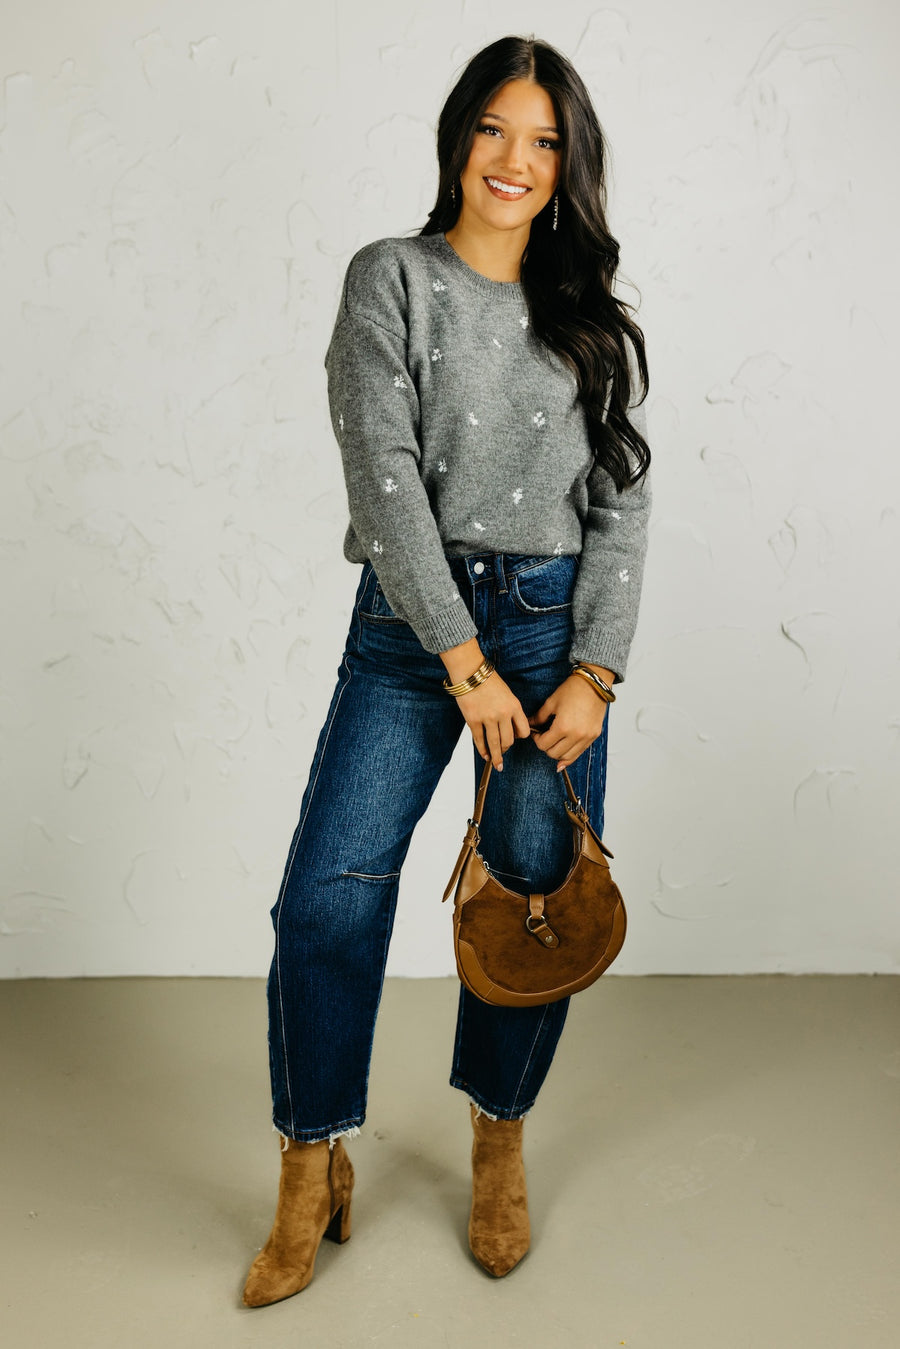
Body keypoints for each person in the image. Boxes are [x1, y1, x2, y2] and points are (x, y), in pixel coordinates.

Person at [242, 34, 651, 1306]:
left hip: (550, 634)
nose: (513, 162)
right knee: (327, 899)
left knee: (530, 908)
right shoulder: (393, 280)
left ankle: (499, 1133)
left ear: (568, 163)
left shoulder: (590, 316)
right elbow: (384, 476)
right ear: (455, 138)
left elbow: (622, 501)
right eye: (492, 130)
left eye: (542, 141)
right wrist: (461, 660)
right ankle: (312, 1160)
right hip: (419, 633)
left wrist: (597, 670)